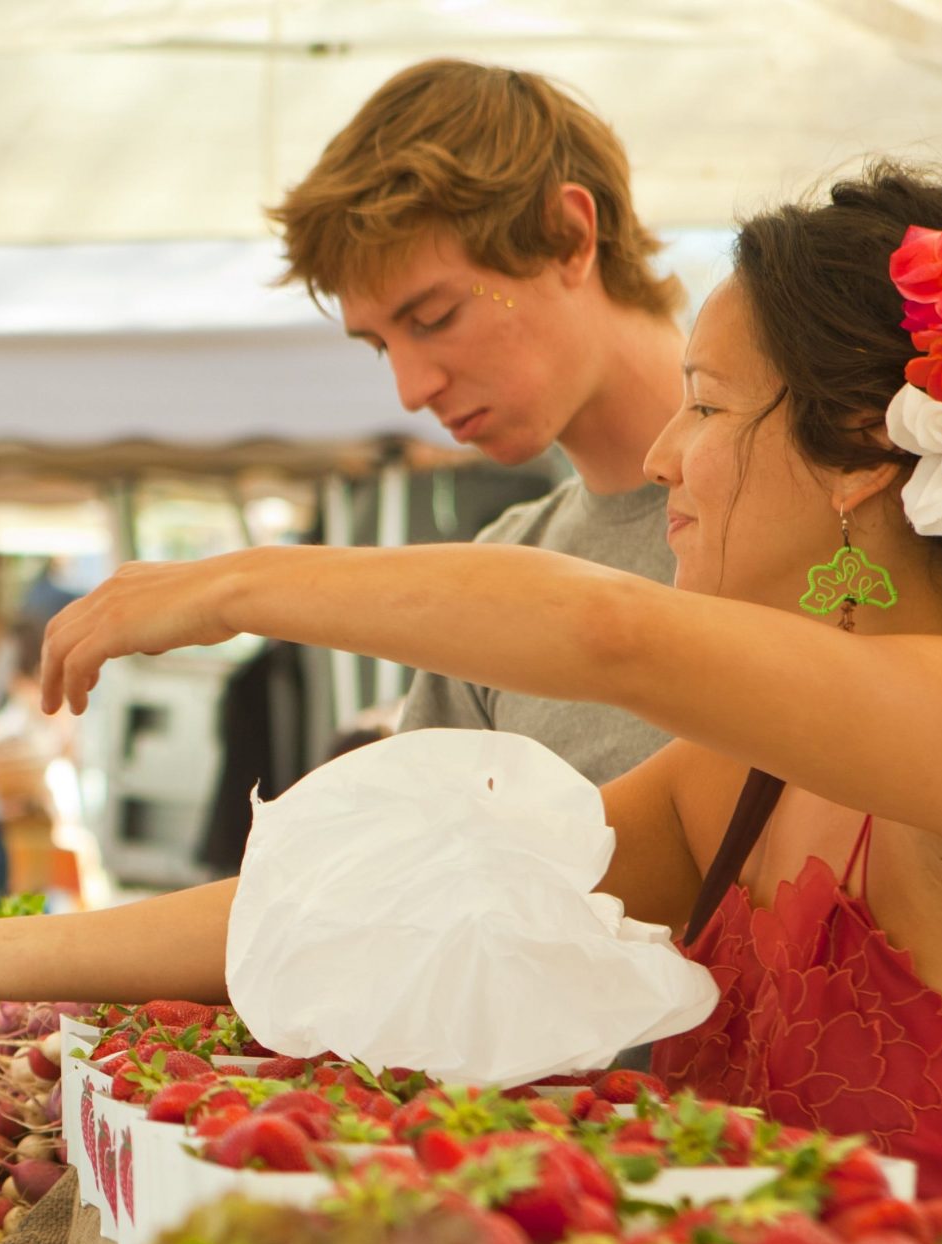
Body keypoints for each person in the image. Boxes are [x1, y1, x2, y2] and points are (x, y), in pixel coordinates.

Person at [0, 168, 942, 1233]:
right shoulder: (744, 774)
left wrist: (231, 586)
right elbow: (359, 908)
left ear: (856, 460)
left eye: (708, 408)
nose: (666, 454)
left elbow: (609, 634)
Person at [278, 59, 687, 784]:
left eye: (433, 317)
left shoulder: (812, 497)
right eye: (380, 346)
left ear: (567, 236)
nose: (410, 390)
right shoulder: (501, 571)